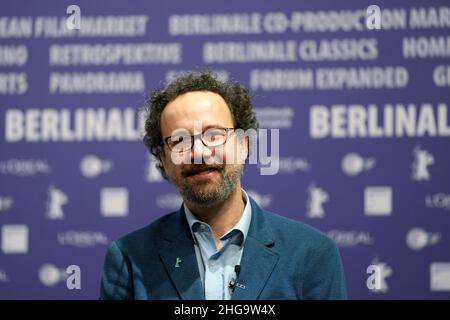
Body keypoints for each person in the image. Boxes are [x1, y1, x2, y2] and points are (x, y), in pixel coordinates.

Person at [100, 71, 347, 300]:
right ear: (163, 159)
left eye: (214, 135)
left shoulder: (312, 253)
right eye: (179, 140)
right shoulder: (129, 259)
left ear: (244, 144)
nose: (199, 153)